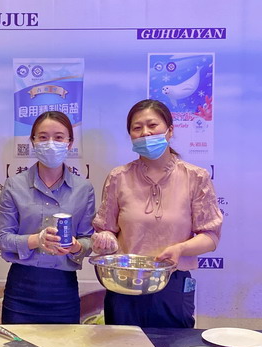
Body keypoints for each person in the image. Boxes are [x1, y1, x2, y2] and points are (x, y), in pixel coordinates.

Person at [92, 99, 223, 328]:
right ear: (131, 136)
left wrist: (180, 249)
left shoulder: (195, 177)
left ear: (170, 130)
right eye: (137, 128)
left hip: (172, 284)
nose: (145, 133)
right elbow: (106, 229)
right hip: (124, 284)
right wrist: (104, 238)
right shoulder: (118, 177)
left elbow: (210, 237)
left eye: (152, 125)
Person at [0, 111, 95, 324]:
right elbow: (4, 239)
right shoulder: (14, 185)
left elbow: (89, 240)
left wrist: (76, 246)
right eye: (43, 137)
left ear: (70, 143)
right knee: (15, 345)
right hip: (21, 288)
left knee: (64, 344)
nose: (51, 144)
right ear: (33, 142)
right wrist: (36, 240)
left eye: (59, 137)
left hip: (64, 289)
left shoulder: (83, 189)